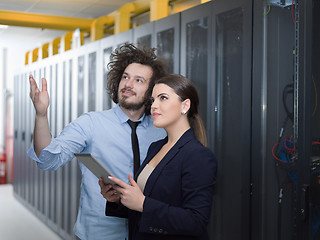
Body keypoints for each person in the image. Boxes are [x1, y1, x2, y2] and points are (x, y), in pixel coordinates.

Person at [27, 43, 168, 240]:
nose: (128, 84)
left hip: (147, 232)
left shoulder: (161, 131)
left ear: (152, 91)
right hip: (98, 234)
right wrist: (41, 115)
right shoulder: (91, 123)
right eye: (125, 77)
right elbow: (47, 160)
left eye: (139, 80)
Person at [99, 74, 217, 240]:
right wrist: (118, 200)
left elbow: (196, 221)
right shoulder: (156, 147)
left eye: (163, 98)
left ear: (185, 105)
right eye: (153, 100)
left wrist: (142, 203)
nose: (154, 106)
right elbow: (145, 207)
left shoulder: (198, 156)